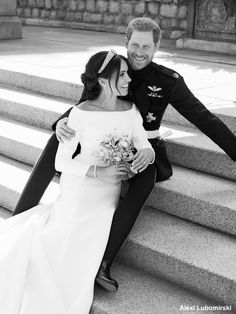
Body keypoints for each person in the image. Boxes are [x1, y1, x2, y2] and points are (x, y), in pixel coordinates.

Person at [14, 17, 236, 292]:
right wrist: (62, 122)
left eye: (147, 46)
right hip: (105, 144)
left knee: (147, 177)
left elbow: (203, 117)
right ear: (126, 43)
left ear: (157, 47)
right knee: (55, 140)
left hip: (145, 146)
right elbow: (85, 105)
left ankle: (104, 262)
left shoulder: (168, 81)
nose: (139, 52)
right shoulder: (111, 69)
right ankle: (19, 215)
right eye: (134, 45)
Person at [0, 51, 154, 314]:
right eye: (124, 74)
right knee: (63, 243)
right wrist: (98, 172)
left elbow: (143, 143)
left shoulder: (131, 110)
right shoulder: (79, 113)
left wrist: (147, 153)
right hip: (81, 188)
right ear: (105, 80)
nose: (130, 79)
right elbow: (61, 162)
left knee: (91, 238)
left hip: (108, 194)